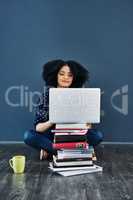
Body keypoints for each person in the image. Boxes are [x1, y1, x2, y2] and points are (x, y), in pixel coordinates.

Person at [24, 59, 103, 160]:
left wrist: (86, 124)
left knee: (97, 136)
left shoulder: (80, 95)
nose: (66, 77)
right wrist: (53, 120)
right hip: (53, 135)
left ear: (74, 78)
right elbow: (38, 128)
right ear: (55, 76)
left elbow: (88, 126)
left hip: (74, 135)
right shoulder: (46, 96)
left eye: (70, 75)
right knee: (29, 136)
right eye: (62, 74)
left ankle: (51, 150)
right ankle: (73, 152)